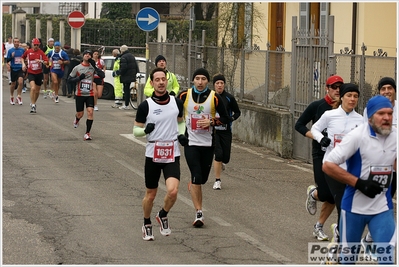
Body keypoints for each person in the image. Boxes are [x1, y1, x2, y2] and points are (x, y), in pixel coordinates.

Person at [323, 95, 396, 265]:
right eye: (381, 114)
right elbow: (328, 165)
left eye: (390, 113)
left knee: (387, 260)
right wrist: (359, 183)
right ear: (370, 117)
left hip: (382, 208)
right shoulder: (356, 136)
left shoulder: (396, 136)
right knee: (348, 260)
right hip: (354, 209)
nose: (386, 118)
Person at [133, 67, 187, 241]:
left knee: (172, 192)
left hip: (171, 152)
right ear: (152, 83)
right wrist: (144, 131)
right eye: (157, 79)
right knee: (151, 194)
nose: (161, 82)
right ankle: (147, 222)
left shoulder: (176, 102)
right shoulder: (145, 106)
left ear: (167, 81)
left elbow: (181, 122)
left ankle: (163, 214)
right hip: (153, 153)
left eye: (163, 79)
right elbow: (136, 130)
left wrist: (181, 134)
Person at [311, 83, 364, 243]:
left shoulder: (360, 120)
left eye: (355, 96)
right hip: (332, 166)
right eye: (349, 95)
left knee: (349, 205)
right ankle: (342, 239)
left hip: (351, 168)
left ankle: (340, 232)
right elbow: (314, 128)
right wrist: (322, 138)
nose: (352, 99)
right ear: (342, 97)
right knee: (342, 202)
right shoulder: (330, 115)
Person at [177, 68, 229, 227]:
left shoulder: (215, 98)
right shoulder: (184, 96)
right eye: (197, 78)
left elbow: (226, 118)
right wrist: (180, 134)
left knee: (203, 179)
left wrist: (212, 122)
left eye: (203, 79)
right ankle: (199, 213)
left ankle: (194, 184)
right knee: (197, 177)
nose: (200, 82)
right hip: (191, 143)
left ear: (207, 81)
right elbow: (177, 117)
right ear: (193, 80)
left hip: (208, 144)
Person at [294, 75, 342, 241]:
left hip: (338, 157)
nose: (337, 90)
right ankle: (314, 194)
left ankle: (319, 226)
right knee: (326, 193)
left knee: (335, 195)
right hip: (320, 154)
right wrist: (316, 137)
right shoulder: (317, 106)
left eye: (339, 87)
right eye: (333, 87)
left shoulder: (345, 108)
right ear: (326, 88)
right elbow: (299, 125)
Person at [361, 77, 397, 256]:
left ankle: (371, 238)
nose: (387, 91)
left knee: (387, 201)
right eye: (383, 88)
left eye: (390, 88)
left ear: (395, 91)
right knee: (378, 201)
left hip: (394, 167)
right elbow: (363, 133)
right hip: (376, 165)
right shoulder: (371, 109)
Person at [211, 73, 241, 190]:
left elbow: (237, 112)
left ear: (224, 85)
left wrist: (231, 119)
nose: (219, 85)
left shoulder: (229, 98)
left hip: (226, 130)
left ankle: (221, 164)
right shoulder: (210, 97)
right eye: (217, 83)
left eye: (221, 83)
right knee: (218, 154)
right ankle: (217, 180)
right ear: (214, 85)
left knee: (226, 157)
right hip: (214, 131)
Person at [67, 50, 105, 140]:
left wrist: (95, 66)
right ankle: (77, 119)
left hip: (90, 94)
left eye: (89, 55)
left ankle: (87, 133)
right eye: (86, 54)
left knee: (90, 112)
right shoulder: (77, 68)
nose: (87, 56)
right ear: (83, 56)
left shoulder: (92, 68)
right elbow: (69, 80)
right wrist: (79, 78)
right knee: (80, 114)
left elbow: (102, 75)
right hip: (80, 94)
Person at [21, 38, 48, 114]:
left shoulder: (41, 52)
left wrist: (41, 61)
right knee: (33, 88)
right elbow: (22, 58)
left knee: (37, 91)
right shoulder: (28, 52)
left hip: (39, 73)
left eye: (37, 45)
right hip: (31, 72)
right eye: (34, 45)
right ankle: (33, 105)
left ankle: (34, 103)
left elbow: (47, 62)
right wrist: (23, 64)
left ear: (39, 45)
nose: (36, 46)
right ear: (32, 44)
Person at [115, 45, 139, 110]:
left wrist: (118, 72)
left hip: (126, 76)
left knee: (126, 90)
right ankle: (126, 104)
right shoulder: (132, 56)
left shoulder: (123, 57)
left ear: (121, 51)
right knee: (127, 89)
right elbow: (136, 66)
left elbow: (123, 68)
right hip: (131, 75)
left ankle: (126, 105)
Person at [7, 37, 25, 105]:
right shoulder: (10, 50)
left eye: (18, 42)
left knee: (20, 82)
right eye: (15, 42)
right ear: (13, 43)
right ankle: (11, 96)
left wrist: (24, 64)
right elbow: (7, 60)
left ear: (19, 42)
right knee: (13, 84)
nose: (16, 43)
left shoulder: (22, 50)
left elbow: (25, 58)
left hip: (20, 68)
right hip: (13, 69)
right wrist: (11, 56)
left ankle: (19, 96)